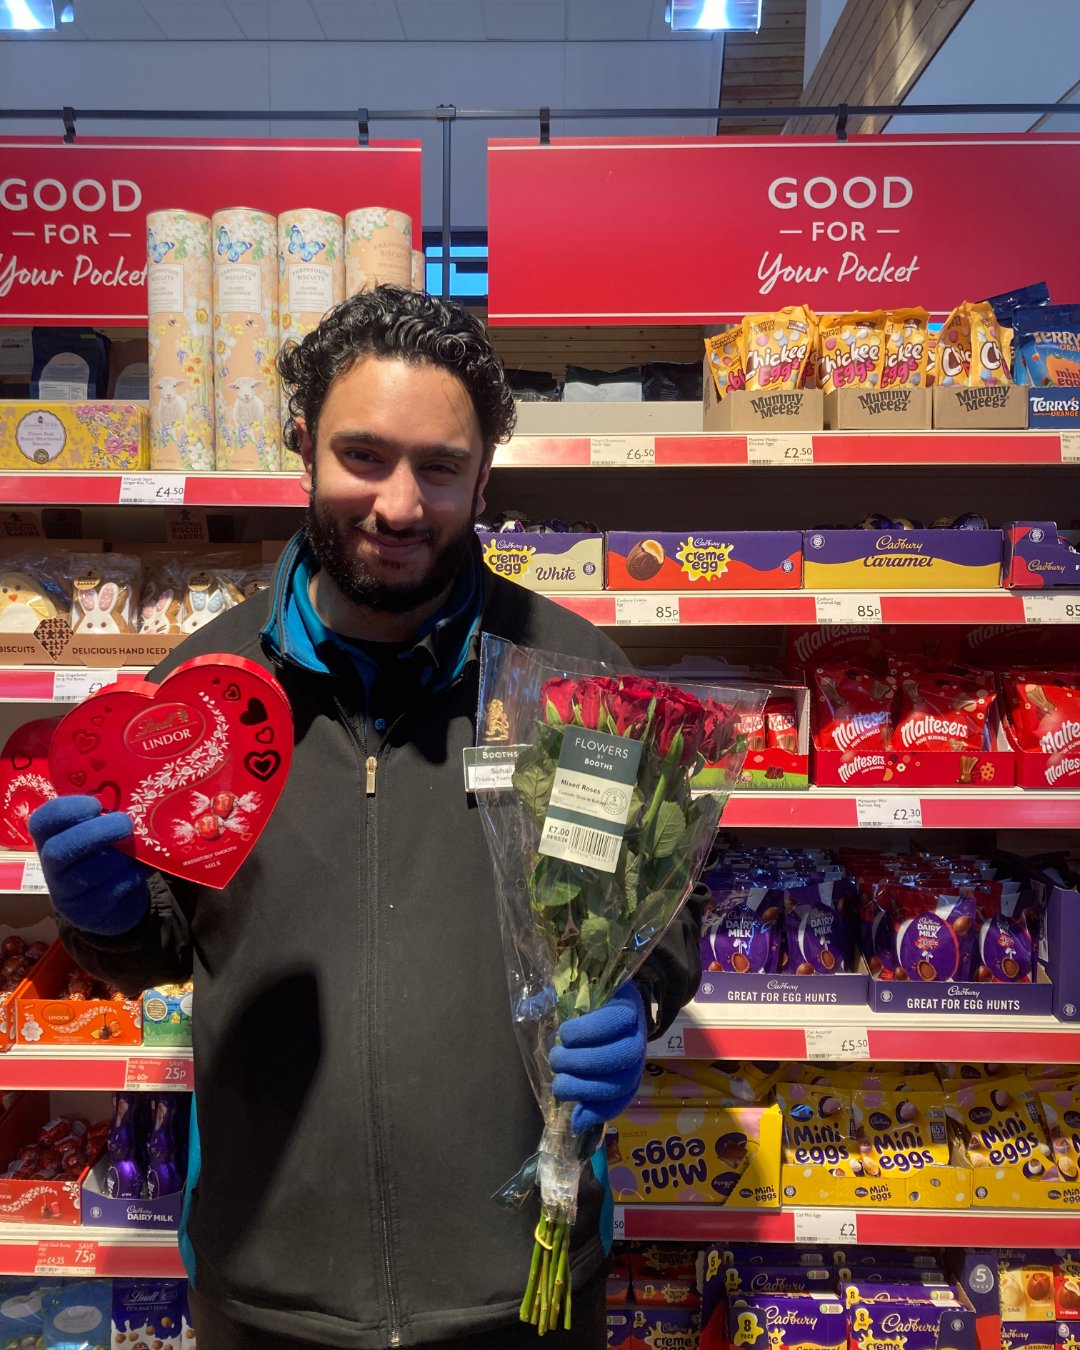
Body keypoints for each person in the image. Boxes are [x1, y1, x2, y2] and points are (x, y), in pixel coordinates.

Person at [29, 286, 703, 1350]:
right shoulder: (206, 693)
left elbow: (661, 912)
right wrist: (105, 916)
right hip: (267, 1287)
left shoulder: (572, 679)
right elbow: (153, 946)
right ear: (303, 445)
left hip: (520, 1285)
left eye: (440, 467)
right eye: (364, 456)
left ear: (484, 475)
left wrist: (639, 997)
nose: (399, 505)